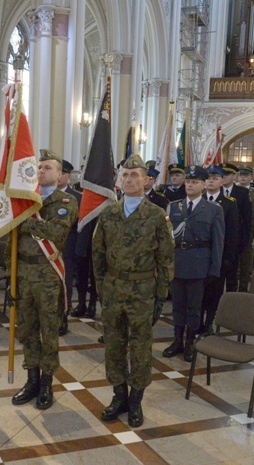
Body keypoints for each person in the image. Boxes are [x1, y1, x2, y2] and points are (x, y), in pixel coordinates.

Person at [92, 154, 174, 428]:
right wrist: (103, 287)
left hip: (142, 290)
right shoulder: (109, 213)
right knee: (114, 346)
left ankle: (136, 400)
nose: (129, 180)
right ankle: (119, 396)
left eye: (135, 175)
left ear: (146, 180)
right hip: (114, 288)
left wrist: (160, 297)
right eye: (124, 175)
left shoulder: (156, 216)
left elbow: (165, 261)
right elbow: (98, 255)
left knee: (140, 348)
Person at [11, 149, 78, 410]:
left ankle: (47, 383)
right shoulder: (27, 201)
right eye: (39, 167)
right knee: (26, 331)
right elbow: (12, 242)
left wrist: (24, 222)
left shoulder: (66, 202)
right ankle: (31, 380)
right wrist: (11, 277)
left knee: (49, 332)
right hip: (24, 275)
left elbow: (54, 233)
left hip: (48, 276)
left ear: (60, 175)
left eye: (48, 168)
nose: (41, 171)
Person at [164, 165, 224, 362]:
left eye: (195, 182)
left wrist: (214, 269)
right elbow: (167, 238)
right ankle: (177, 340)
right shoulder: (174, 206)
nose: (190, 185)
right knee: (177, 305)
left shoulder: (214, 210)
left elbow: (217, 241)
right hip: (177, 262)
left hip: (199, 264)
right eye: (188, 181)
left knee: (194, 307)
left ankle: (190, 342)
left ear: (203, 185)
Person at [199, 166, 239, 334]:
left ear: (222, 181)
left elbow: (232, 233)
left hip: (219, 256)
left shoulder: (229, 204)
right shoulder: (198, 200)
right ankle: (197, 321)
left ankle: (209, 322)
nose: (211, 181)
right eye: (208, 178)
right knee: (199, 291)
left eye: (215, 178)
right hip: (200, 255)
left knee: (214, 291)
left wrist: (228, 258)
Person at [55, 159, 86, 335]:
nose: (59, 177)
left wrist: (78, 251)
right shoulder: (42, 195)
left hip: (67, 249)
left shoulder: (77, 197)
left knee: (65, 286)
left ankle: (63, 318)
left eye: (62, 174)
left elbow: (82, 227)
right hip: (46, 250)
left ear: (68, 176)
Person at [221, 163, 250, 291]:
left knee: (232, 274)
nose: (223, 177)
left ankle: (231, 301)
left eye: (226, 175)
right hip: (217, 238)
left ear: (233, 176)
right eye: (221, 174)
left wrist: (243, 241)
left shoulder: (242, 193)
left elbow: (247, 219)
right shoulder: (215, 192)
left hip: (234, 240)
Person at [235, 166, 254, 291]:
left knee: (246, 262)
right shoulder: (232, 191)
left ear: (251, 177)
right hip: (234, 232)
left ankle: (243, 288)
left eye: (246, 175)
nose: (243, 177)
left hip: (249, 232)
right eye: (241, 175)